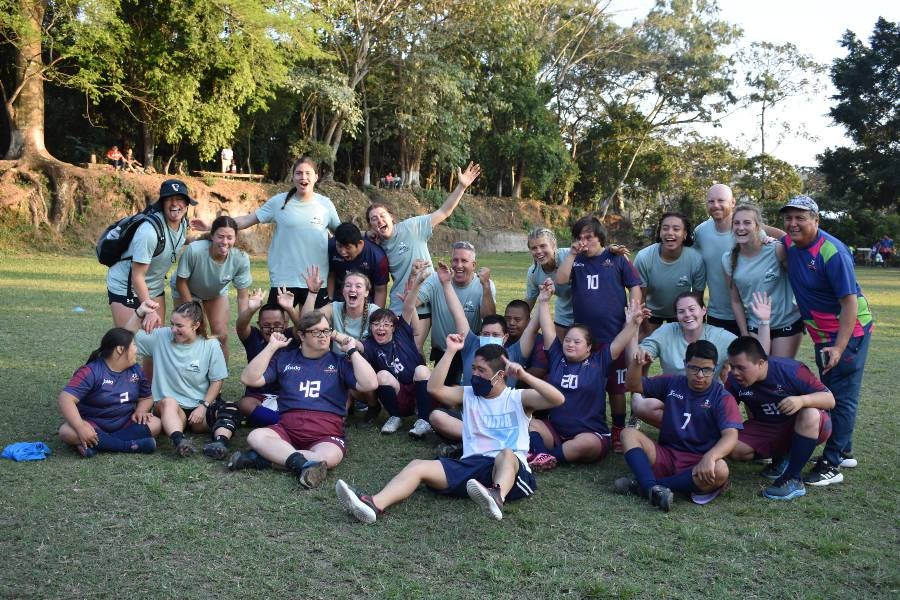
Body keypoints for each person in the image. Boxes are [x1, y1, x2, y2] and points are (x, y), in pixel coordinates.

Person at [334, 338, 565, 523]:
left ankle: (497, 496)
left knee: (506, 452)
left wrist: (525, 376)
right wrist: (451, 351)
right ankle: (373, 504)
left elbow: (557, 399)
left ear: (500, 376)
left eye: (481, 371)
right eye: (473, 368)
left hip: (509, 472)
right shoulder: (468, 394)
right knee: (418, 465)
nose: (474, 375)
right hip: (472, 469)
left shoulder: (518, 398)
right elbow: (434, 388)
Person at [780, 195, 874, 485]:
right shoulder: (791, 243)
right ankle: (843, 448)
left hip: (848, 334)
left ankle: (832, 462)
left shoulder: (833, 252)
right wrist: (752, 227)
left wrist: (839, 347)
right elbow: (777, 233)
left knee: (840, 398)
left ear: (816, 220)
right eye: (789, 218)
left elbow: (850, 304)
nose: (793, 223)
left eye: (801, 217)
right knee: (831, 390)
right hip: (823, 336)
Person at [232, 311, 378, 489]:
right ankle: (302, 465)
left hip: (326, 432)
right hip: (287, 428)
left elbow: (370, 384)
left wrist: (353, 351)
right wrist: (271, 347)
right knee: (256, 436)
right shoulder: (285, 359)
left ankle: (265, 459)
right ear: (301, 335)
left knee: (330, 457)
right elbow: (249, 378)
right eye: (316, 332)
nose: (324, 336)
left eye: (326, 331)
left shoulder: (339, 361)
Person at [523, 281, 646, 471]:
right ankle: (539, 455)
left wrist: (633, 324)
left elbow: (620, 341)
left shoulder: (600, 361)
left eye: (577, 342)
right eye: (568, 340)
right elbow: (548, 328)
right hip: (556, 432)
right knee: (532, 424)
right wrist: (544, 301)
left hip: (590, 435)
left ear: (589, 347)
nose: (570, 344)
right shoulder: (557, 356)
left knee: (582, 444)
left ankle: (544, 457)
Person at [614, 340, 743, 511]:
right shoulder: (672, 382)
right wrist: (637, 364)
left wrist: (710, 457)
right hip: (665, 455)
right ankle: (653, 488)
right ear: (685, 365)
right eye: (694, 368)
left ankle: (645, 485)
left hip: (697, 463)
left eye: (707, 370)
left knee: (721, 470)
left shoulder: (722, 397)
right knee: (628, 433)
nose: (700, 375)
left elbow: (731, 435)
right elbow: (632, 385)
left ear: (715, 369)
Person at [366, 162, 481, 340]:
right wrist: (366, 233)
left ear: (392, 218)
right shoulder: (376, 244)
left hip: (424, 301)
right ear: (371, 226)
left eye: (382, 216)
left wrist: (461, 186)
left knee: (415, 350)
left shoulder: (412, 227)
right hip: (399, 300)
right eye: (374, 219)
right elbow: (351, 238)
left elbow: (444, 211)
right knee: (395, 348)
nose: (379, 220)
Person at [556, 215, 642, 452]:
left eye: (589, 237)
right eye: (580, 237)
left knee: (616, 386)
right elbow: (560, 280)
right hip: (585, 341)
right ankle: (590, 424)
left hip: (613, 335)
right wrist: (572, 254)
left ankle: (617, 428)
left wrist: (633, 313)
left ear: (600, 237)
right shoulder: (576, 260)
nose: (585, 242)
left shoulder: (616, 258)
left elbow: (634, 285)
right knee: (589, 383)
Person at [218, 156, 340, 309]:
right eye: (299, 173)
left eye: (308, 173)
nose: (304, 177)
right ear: (293, 177)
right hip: (284, 280)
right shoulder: (278, 202)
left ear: (316, 177)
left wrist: (367, 235)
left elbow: (343, 233)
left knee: (312, 331)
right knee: (274, 329)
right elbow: (247, 220)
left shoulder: (325, 204)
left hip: (315, 281)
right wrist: (213, 225)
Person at [725, 336, 834, 500]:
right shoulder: (734, 379)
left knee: (809, 413)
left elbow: (830, 399)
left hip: (803, 425)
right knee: (732, 448)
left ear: (761, 363)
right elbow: (723, 410)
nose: (735, 373)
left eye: (741, 368)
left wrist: (802, 400)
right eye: (732, 367)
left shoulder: (791, 370)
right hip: (766, 426)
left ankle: (793, 478)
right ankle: (782, 458)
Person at [124, 300, 235, 459]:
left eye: (180, 326)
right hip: (172, 410)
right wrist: (140, 312)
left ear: (196, 325)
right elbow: (124, 337)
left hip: (198, 411)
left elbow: (217, 380)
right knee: (169, 401)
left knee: (231, 408)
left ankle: (220, 443)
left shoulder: (210, 345)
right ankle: (179, 441)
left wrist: (203, 406)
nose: (174, 330)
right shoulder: (161, 336)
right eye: (172, 324)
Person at [633, 291, 739, 428]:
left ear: (703, 310)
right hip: (676, 397)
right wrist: (640, 344)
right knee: (640, 404)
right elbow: (643, 350)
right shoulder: (667, 331)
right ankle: (685, 431)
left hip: (706, 399)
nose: (687, 314)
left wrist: (763, 322)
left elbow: (747, 352)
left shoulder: (720, 336)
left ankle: (693, 430)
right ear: (676, 316)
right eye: (681, 311)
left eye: (692, 309)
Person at [693, 183, 784, 336]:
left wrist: (775, 241)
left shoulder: (747, 230)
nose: (716, 205)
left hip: (751, 313)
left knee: (753, 359)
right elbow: (693, 264)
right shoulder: (701, 232)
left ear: (733, 202)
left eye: (721, 200)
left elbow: (782, 238)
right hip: (718, 314)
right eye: (711, 201)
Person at [107, 179, 197, 331]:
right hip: (126, 286)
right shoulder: (148, 232)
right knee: (127, 341)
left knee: (155, 342)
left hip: (154, 286)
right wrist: (148, 310)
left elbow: (175, 240)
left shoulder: (182, 223)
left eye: (180, 199)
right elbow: (137, 277)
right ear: (161, 203)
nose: (175, 204)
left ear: (187, 204)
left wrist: (204, 238)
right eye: (170, 199)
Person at [57, 328, 161, 457]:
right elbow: (65, 398)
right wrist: (80, 427)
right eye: (134, 345)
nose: (137, 350)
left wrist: (141, 410)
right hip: (93, 425)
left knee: (156, 423)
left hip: (125, 423)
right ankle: (130, 446)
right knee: (66, 432)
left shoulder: (136, 370)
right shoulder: (91, 371)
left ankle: (96, 444)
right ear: (120, 349)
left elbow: (146, 397)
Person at [355, 264, 432, 436]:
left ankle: (424, 420)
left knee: (421, 370)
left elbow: (409, 306)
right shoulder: (370, 344)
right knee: (382, 375)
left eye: (386, 324)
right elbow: (357, 345)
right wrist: (337, 336)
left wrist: (417, 282)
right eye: (376, 324)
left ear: (394, 327)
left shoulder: (402, 332)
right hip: (399, 393)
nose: (380, 328)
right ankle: (395, 416)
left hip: (419, 391)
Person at [723, 204, 802, 358]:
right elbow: (735, 301)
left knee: (778, 374)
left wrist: (802, 305)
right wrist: (744, 333)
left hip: (786, 323)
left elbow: (799, 279)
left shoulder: (776, 250)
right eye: (736, 223)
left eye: (747, 223)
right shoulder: (727, 259)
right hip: (755, 325)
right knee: (757, 375)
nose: (741, 227)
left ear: (758, 226)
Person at [171, 215, 252, 362]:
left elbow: (242, 296)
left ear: (235, 238)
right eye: (220, 236)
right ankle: (187, 372)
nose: (225, 242)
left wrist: (243, 320)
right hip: (186, 288)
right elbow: (181, 282)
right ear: (212, 235)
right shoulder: (195, 251)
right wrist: (194, 314)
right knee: (190, 332)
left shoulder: (240, 257)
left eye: (230, 237)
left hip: (214, 292)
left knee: (222, 335)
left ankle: (219, 377)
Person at [416, 241, 496, 383]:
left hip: (471, 351)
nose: (458, 265)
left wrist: (486, 287)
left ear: (474, 265)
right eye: (455, 260)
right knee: (445, 396)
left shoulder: (484, 284)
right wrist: (414, 277)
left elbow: (489, 318)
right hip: (445, 350)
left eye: (464, 261)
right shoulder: (437, 279)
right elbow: (414, 301)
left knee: (472, 390)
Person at [633, 212, 706, 339]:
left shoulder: (696, 259)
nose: (670, 233)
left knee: (684, 353)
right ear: (660, 233)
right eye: (665, 228)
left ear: (684, 235)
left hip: (682, 312)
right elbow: (640, 299)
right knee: (640, 352)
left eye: (676, 229)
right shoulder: (644, 257)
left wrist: (695, 328)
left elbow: (697, 300)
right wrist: (646, 330)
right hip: (650, 313)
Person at [235, 288, 301, 428]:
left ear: (285, 324)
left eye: (277, 325)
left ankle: (269, 420)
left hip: (286, 395)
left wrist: (290, 308)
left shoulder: (291, 335)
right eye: (266, 325)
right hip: (258, 395)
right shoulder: (253, 336)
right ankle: (283, 423)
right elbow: (241, 326)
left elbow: (304, 329)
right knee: (244, 404)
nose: (272, 329)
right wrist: (251, 309)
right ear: (259, 325)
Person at [300, 266, 379, 356]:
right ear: (343, 291)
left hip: (365, 362)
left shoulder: (374, 312)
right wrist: (312, 293)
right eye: (348, 285)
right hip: (337, 363)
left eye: (358, 286)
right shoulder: (334, 308)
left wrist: (333, 334)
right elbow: (305, 323)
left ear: (366, 292)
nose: (352, 289)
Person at [524, 227, 574, 343]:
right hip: (563, 316)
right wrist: (517, 320)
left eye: (543, 246)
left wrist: (610, 251)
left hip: (585, 313)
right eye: (534, 248)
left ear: (553, 245)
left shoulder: (570, 255)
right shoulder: (533, 273)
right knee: (563, 353)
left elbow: (595, 254)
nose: (538, 251)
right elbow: (529, 302)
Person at [328, 222, 389, 307]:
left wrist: (377, 316)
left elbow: (380, 290)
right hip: (339, 298)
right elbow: (331, 275)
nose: (342, 252)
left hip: (366, 301)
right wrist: (330, 300)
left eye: (348, 247)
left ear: (360, 243)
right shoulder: (331, 246)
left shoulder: (377, 257)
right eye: (339, 246)